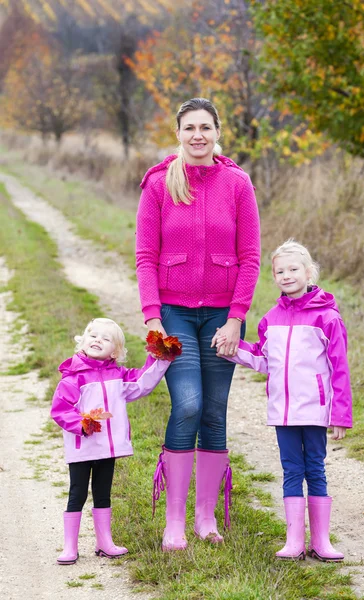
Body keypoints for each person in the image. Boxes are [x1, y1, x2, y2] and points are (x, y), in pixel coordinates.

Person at [136, 97, 261, 551]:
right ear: (178, 133)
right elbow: (146, 257)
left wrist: (236, 320)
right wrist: (153, 317)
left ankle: (206, 518)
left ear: (217, 131)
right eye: (189, 128)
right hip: (173, 313)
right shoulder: (157, 184)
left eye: (205, 127)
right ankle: (174, 522)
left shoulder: (237, 183)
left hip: (222, 318)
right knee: (187, 404)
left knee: (213, 411)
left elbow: (249, 259)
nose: (197, 136)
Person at [215, 239, 352, 561]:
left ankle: (321, 541)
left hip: (316, 409)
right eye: (280, 271)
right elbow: (265, 361)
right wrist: (232, 350)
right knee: (291, 469)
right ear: (273, 276)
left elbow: (339, 368)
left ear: (308, 272)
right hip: (283, 410)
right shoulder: (270, 319)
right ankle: (294, 541)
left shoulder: (328, 318)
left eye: (293, 269)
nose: (286, 275)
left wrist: (340, 414)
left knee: (315, 468)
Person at [50, 317, 173, 565]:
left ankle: (104, 542)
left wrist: (161, 358)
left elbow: (142, 383)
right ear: (82, 342)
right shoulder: (73, 377)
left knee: (103, 493)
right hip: (82, 448)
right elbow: (60, 409)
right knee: (77, 493)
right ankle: (69, 546)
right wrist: (80, 424)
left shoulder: (118, 375)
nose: (97, 340)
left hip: (107, 448)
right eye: (93, 335)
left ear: (115, 351)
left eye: (106, 339)